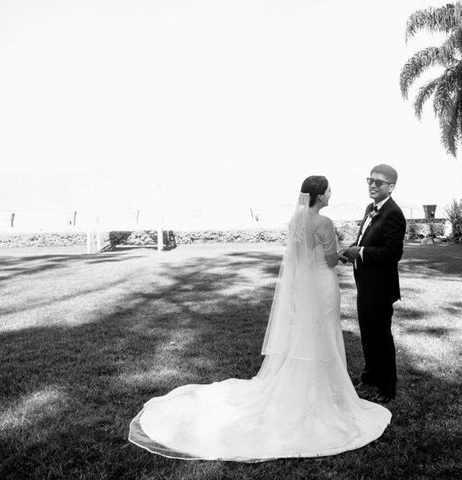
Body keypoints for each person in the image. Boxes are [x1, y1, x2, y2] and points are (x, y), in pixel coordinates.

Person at [128, 175, 391, 462]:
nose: (331, 194)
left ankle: (308, 385)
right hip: (323, 286)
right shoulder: (324, 223)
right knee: (323, 333)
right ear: (318, 195)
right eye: (328, 190)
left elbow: (297, 257)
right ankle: (323, 392)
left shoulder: (295, 220)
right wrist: (343, 253)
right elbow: (329, 260)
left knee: (305, 333)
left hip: (304, 288)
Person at [341, 165, 406, 403]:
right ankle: (370, 376)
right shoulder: (371, 208)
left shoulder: (394, 213)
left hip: (380, 287)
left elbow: (392, 253)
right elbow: (363, 240)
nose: (373, 185)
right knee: (367, 334)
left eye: (379, 182)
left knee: (381, 337)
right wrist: (351, 251)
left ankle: (387, 388)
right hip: (364, 283)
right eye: (370, 180)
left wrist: (361, 253)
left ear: (391, 187)